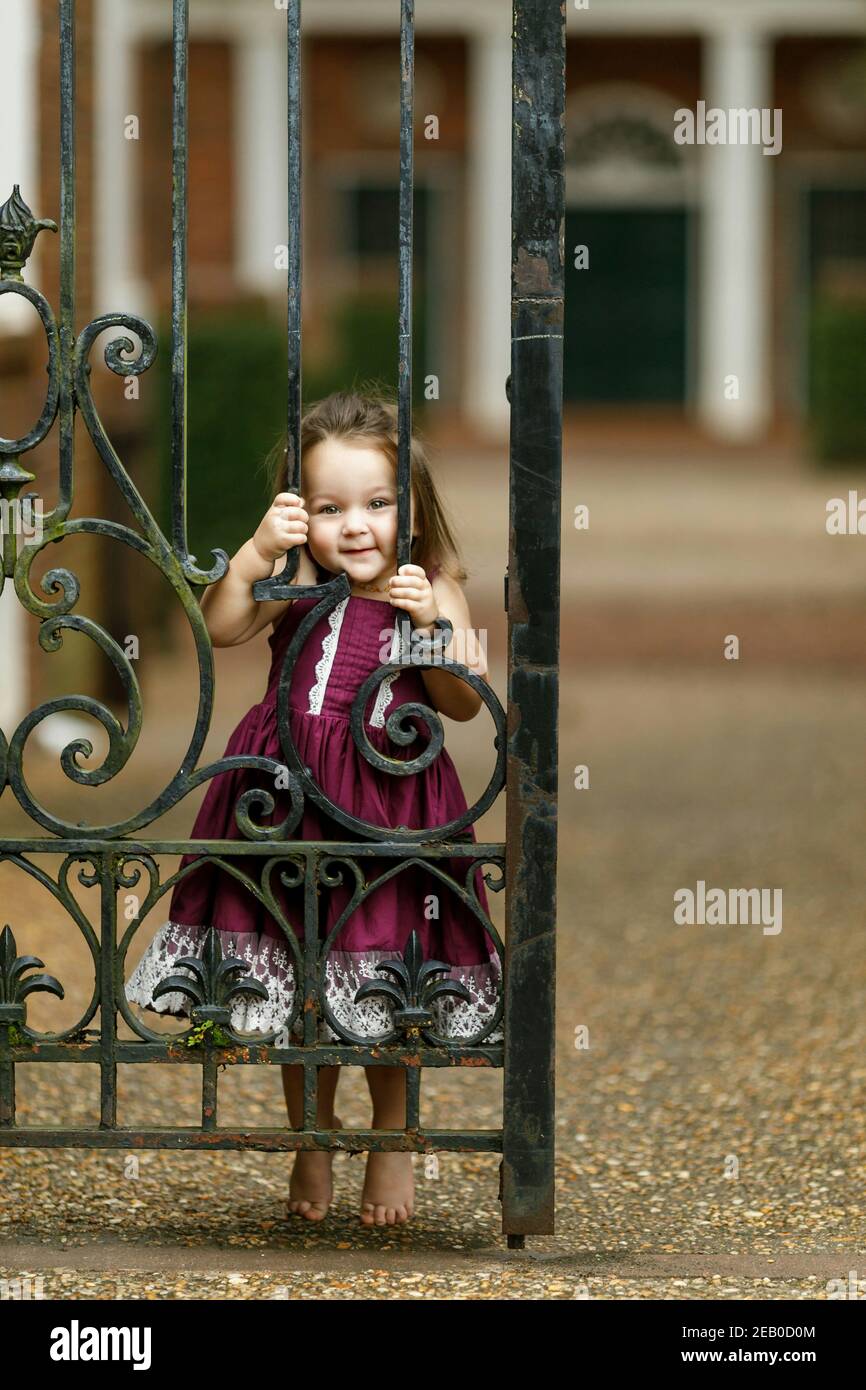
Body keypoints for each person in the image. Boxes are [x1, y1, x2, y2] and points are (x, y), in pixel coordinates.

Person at [125, 388, 502, 1227]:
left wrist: (434, 629)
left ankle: (393, 1137)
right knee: (296, 972)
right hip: (283, 799)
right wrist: (259, 552)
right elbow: (221, 626)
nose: (355, 526)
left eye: (376, 504)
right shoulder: (296, 578)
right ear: (303, 515)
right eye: (330, 508)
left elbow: (463, 703)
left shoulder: (432, 586)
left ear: (412, 508)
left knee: (386, 973)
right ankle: (311, 1130)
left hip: (386, 811)